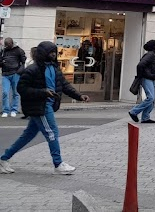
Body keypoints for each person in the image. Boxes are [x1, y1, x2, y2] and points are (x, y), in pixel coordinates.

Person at [0, 42, 89, 175]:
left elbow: (64, 85)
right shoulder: (32, 70)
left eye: (54, 51)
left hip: (47, 104)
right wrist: (43, 92)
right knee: (52, 132)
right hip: (40, 106)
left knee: (28, 135)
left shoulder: (54, 68)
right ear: (43, 53)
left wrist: (79, 96)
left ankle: (4, 159)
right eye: (50, 52)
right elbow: (22, 89)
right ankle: (58, 164)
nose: (53, 54)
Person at [129, 40, 155, 124]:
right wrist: (147, 75)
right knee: (150, 98)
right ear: (153, 46)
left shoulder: (153, 55)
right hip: (147, 79)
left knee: (152, 100)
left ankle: (145, 117)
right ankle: (134, 111)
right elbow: (140, 65)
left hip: (151, 79)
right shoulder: (150, 55)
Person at [1, 38, 26, 118]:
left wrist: (19, 71)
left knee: (15, 93)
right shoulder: (3, 51)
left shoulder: (19, 50)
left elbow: (23, 61)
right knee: (5, 92)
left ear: (12, 43)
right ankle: (6, 110)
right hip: (5, 74)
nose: (6, 46)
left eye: (8, 44)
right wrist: (1, 62)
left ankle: (14, 110)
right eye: (6, 45)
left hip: (15, 73)